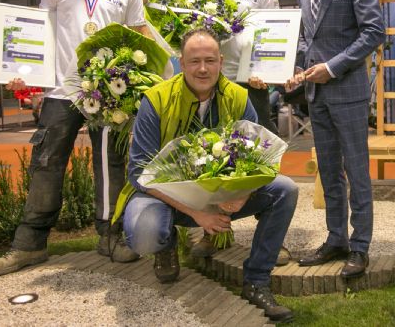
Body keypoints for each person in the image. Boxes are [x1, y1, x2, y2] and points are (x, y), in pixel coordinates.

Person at [0, 0, 151, 276]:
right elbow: (37, 34)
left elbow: (142, 39)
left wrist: (142, 85)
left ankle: (110, 237)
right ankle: (30, 245)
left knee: (110, 167)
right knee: (46, 163)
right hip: (63, 90)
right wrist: (21, 73)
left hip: (109, 94)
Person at [122, 28, 297, 323]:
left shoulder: (239, 98)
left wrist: (243, 193)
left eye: (209, 60)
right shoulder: (156, 100)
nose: (202, 69)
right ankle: (165, 247)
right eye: (194, 61)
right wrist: (197, 214)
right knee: (146, 231)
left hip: (221, 196)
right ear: (181, 62)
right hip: (168, 199)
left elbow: (261, 160)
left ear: (220, 61)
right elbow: (139, 171)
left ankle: (257, 281)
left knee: (286, 190)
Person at [288, 0, 385, 279]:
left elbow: (374, 33)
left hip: (348, 92)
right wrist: (296, 68)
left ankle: (360, 247)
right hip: (316, 96)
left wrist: (332, 67)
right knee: (329, 172)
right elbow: (307, 40)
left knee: (356, 171)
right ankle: (335, 239)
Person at [198, 0, 288, 261]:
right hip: (215, 84)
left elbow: (273, 33)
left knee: (261, 161)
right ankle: (216, 235)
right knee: (213, 159)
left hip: (255, 84)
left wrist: (266, 69)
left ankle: (271, 237)